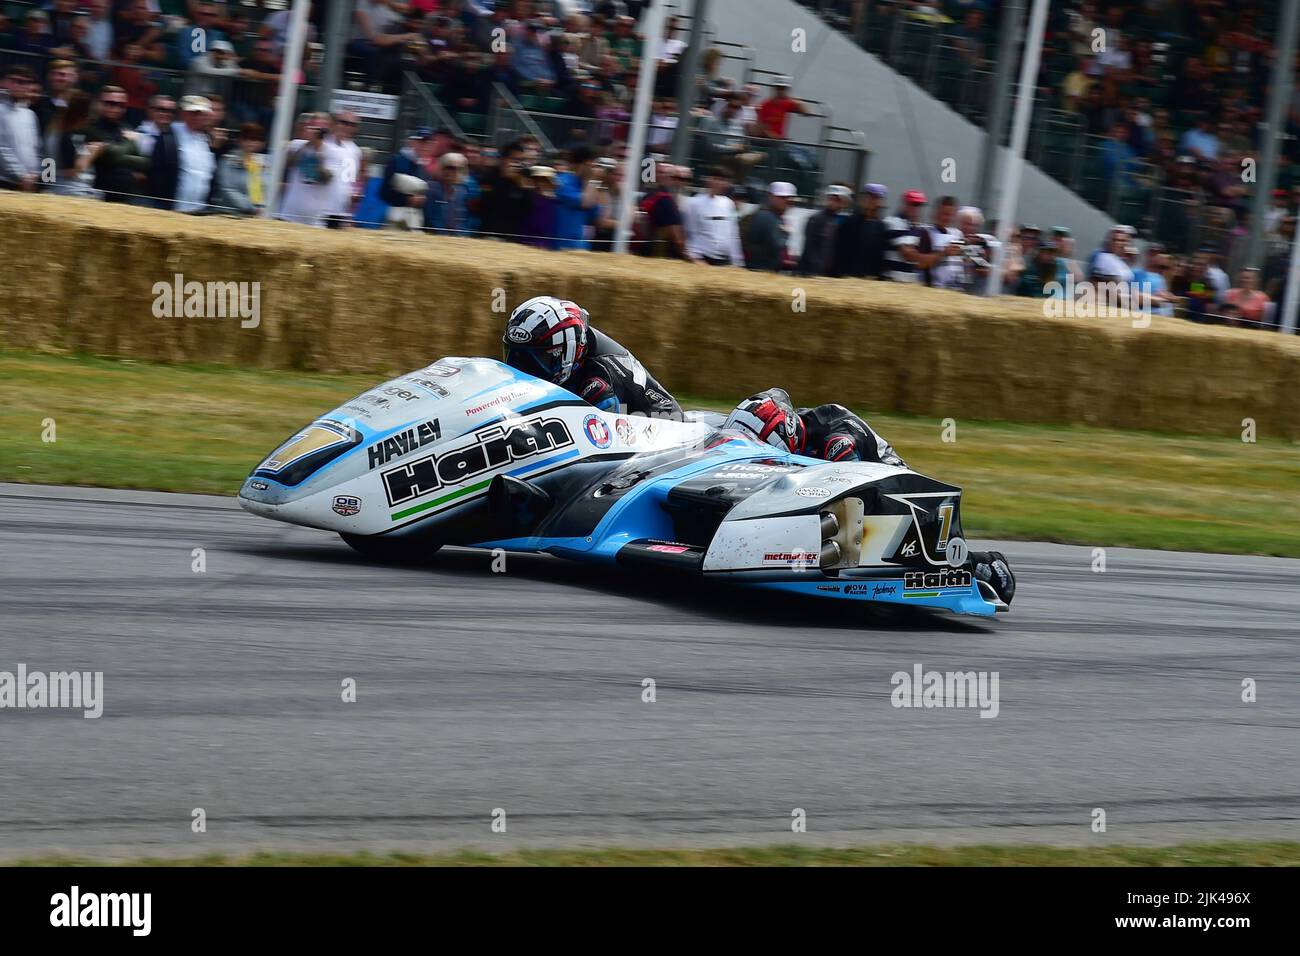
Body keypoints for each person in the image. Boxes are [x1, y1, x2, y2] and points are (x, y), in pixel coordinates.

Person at [723, 388, 1016, 606]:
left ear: (786, 433)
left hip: (891, 500)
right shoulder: (795, 428)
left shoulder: (837, 439)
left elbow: (845, 484)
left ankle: (980, 563)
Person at [502, 295, 681, 419]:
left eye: (537, 359)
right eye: (515, 355)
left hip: (657, 430)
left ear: (568, 354)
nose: (521, 368)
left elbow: (602, 444)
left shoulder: (598, 383)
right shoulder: (576, 345)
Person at [683, 165, 745, 267]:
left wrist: (737, 262)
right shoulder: (694, 203)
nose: (721, 183)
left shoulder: (729, 204)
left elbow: (733, 234)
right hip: (702, 260)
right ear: (709, 180)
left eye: (724, 180)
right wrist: (695, 258)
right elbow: (689, 233)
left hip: (724, 261)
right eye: (717, 179)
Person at [829, 182, 888, 279]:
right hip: (847, 277)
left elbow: (879, 256)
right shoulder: (850, 222)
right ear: (862, 199)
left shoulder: (881, 226)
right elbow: (839, 251)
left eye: (876, 198)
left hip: (868, 280)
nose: (871, 201)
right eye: (869, 197)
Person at [798, 183, 852, 276]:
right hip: (811, 272)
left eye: (838, 200)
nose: (834, 202)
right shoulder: (816, 219)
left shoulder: (833, 221)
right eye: (832, 198)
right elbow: (810, 249)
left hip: (823, 273)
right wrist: (815, 271)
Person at [743, 180, 794, 271]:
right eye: (781, 197)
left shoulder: (772, 216)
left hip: (763, 269)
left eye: (788, 199)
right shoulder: (767, 216)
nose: (785, 202)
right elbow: (775, 246)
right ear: (770, 196)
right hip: (760, 269)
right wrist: (786, 233)